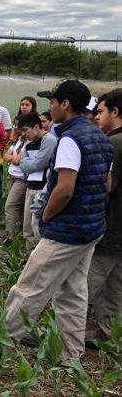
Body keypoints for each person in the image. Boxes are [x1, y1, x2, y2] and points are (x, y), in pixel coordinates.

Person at [0, 80, 113, 364]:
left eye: (53, 100)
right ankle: (70, 354)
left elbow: (64, 188)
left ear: (65, 104)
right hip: (91, 228)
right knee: (73, 292)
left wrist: (46, 215)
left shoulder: (70, 139)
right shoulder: (99, 135)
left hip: (66, 230)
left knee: (30, 286)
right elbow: (106, 184)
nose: (50, 106)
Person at [86, 88, 122, 343]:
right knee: (114, 286)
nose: (97, 117)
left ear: (115, 112)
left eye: (100, 111)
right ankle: (107, 333)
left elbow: (107, 185)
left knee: (86, 283)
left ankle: (62, 334)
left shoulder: (113, 143)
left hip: (111, 225)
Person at [14, 112, 57, 249]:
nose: (24, 134)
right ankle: (27, 257)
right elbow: (25, 167)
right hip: (30, 186)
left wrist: (25, 162)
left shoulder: (49, 140)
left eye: (26, 130)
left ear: (37, 127)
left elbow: (39, 163)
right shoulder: (29, 145)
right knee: (27, 227)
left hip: (42, 188)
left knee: (36, 226)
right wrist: (26, 162)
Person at [2, 115, 33, 242]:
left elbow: (16, 160)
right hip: (11, 175)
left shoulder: (30, 142)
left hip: (21, 178)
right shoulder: (18, 140)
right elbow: (5, 157)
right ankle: (18, 234)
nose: (15, 129)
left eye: (18, 126)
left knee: (10, 205)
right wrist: (13, 157)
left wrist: (13, 157)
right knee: (17, 207)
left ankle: (10, 236)